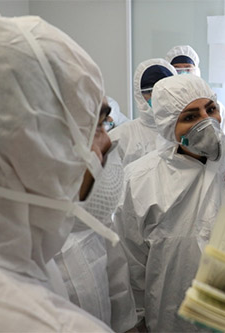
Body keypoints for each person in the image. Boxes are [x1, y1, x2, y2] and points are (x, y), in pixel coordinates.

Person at [0, 8, 118, 331]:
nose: (106, 144)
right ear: (32, 144)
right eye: (95, 125)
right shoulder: (50, 325)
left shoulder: (22, 260)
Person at [115, 74, 225, 332]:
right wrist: (137, 321)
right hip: (170, 318)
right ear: (168, 126)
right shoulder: (140, 181)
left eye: (210, 109)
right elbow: (131, 266)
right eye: (190, 116)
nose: (207, 121)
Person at [54, 98, 137, 332]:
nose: (108, 141)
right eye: (90, 129)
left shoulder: (91, 222)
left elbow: (119, 297)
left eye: (102, 125)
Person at [109, 58, 176, 166]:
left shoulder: (184, 133)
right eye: (149, 91)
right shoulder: (120, 137)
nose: (157, 97)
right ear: (139, 94)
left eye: (163, 91)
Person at [166, 44, 225, 141]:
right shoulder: (165, 107)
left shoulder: (215, 107)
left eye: (188, 69)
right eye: (177, 69)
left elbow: (224, 141)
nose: (183, 74)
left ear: (196, 71)